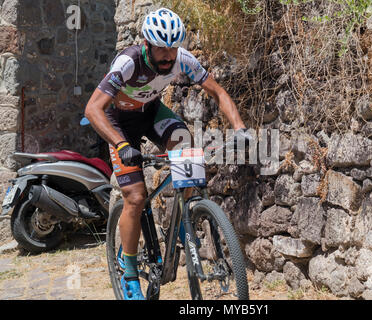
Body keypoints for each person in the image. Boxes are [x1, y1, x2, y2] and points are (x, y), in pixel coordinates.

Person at [84, 7, 252, 300]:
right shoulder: (128, 62)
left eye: (173, 49)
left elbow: (218, 92)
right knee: (135, 197)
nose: (168, 56)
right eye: (162, 48)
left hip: (150, 113)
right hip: (118, 122)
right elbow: (92, 109)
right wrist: (123, 146)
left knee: (187, 150)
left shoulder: (181, 60)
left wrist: (240, 128)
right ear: (147, 44)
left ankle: (189, 214)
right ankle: (131, 273)